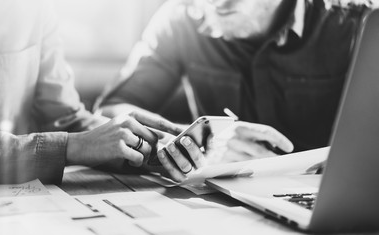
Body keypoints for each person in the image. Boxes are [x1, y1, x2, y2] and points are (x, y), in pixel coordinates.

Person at [95, 0, 375, 181]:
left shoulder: (357, 24)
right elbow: (111, 111)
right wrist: (199, 139)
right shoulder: (181, 17)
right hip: (219, 197)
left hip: (323, 197)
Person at [0, 0, 183, 184]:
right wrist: (71, 146)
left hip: (18, 204)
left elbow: (66, 120)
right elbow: (74, 141)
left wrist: (151, 147)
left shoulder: (34, 8)